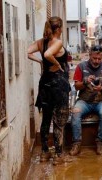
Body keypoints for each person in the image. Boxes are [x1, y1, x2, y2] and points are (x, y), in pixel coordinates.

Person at [27, 16, 70, 165]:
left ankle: (44, 153)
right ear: (58, 29)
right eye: (61, 28)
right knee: (58, 121)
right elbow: (47, 54)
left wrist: (39, 61)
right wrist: (57, 64)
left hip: (45, 85)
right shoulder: (57, 42)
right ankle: (58, 155)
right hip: (58, 86)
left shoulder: (40, 42)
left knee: (46, 119)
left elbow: (28, 51)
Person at [69, 45, 102, 156]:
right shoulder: (81, 66)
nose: (97, 61)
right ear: (90, 55)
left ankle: (100, 142)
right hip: (84, 101)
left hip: (101, 101)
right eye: (94, 58)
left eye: (99, 59)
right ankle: (77, 143)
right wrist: (85, 82)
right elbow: (76, 86)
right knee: (75, 112)